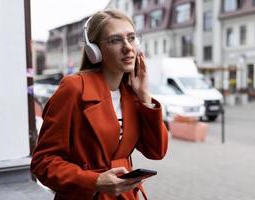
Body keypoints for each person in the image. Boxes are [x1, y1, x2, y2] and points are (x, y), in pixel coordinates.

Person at [31, 9, 168, 200]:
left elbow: (157, 151)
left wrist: (144, 96)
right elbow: (42, 163)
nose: (128, 47)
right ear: (94, 51)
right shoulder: (74, 88)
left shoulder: (131, 94)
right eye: (115, 40)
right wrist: (94, 181)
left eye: (131, 38)